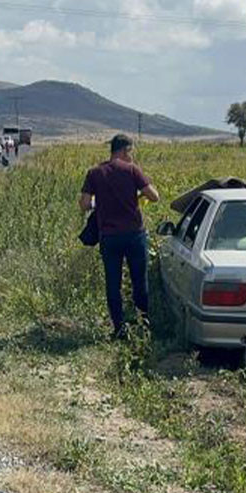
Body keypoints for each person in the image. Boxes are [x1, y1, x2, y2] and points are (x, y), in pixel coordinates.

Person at [79, 134, 160, 339]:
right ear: (125, 150)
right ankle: (143, 326)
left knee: (113, 284)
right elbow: (154, 196)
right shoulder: (132, 170)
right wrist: (137, 195)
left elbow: (84, 204)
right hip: (134, 235)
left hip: (109, 237)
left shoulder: (95, 172)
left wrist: (99, 203)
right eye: (131, 152)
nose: (131, 156)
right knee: (139, 281)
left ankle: (119, 329)